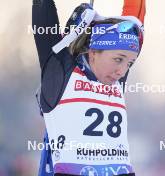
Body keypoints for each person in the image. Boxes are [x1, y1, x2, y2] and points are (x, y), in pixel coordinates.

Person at [32, 0, 146, 176]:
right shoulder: (60, 72)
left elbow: (135, 14)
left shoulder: (115, 79)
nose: (122, 71)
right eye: (118, 59)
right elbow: (43, 11)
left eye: (130, 63)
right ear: (93, 52)